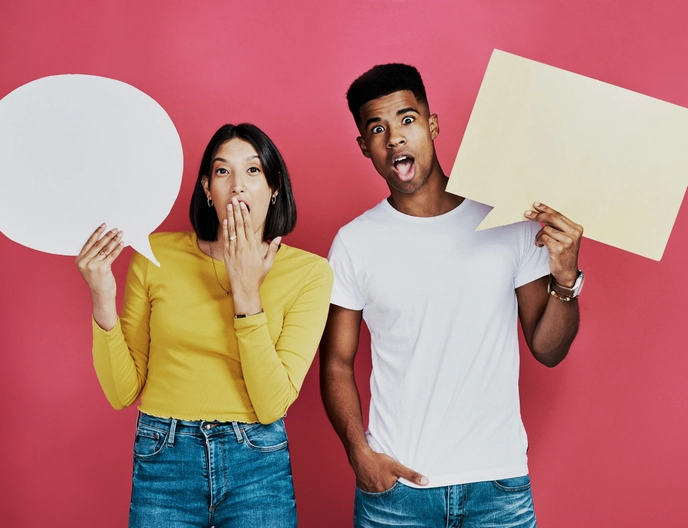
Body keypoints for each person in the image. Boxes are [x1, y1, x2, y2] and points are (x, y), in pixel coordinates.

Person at [320, 63, 584, 527]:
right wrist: (359, 453)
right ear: (365, 147)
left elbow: (548, 349)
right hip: (397, 494)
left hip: (498, 488)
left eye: (407, 119)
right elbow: (337, 362)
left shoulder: (508, 222)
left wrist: (565, 281)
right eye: (377, 128)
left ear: (432, 124)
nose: (395, 138)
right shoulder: (353, 243)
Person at [76, 123, 333, 528]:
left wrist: (247, 291)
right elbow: (122, 392)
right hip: (164, 454)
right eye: (222, 171)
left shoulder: (311, 273)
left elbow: (272, 404)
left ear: (275, 185)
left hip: (256, 461)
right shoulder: (155, 255)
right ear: (207, 189)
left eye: (253, 171)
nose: (237, 185)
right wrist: (102, 297)